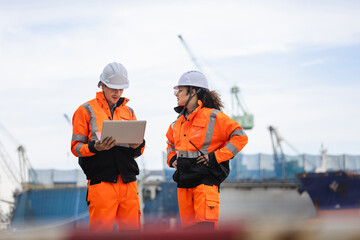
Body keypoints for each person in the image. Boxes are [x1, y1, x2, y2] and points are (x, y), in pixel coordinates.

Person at [166, 70, 248, 230]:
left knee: (205, 232)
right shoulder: (177, 123)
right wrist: (172, 158)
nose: (176, 94)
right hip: (184, 184)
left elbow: (240, 136)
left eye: (180, 90)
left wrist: (216, 156)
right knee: (189, 234)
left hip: (205, 184)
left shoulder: (214, 117)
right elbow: (170, 143)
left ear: (193, 91)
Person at [71, 62, 145, 232]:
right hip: (102, 183)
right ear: (102, 84)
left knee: (132, 233)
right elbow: (76, 147)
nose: (117, 93)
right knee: (100, 233)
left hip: (128, 182)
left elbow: (137, 151)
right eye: (113, 88)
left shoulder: (130, 112)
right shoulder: (85, 110)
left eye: (121, 89)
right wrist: (95, 147)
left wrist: (138, 145)